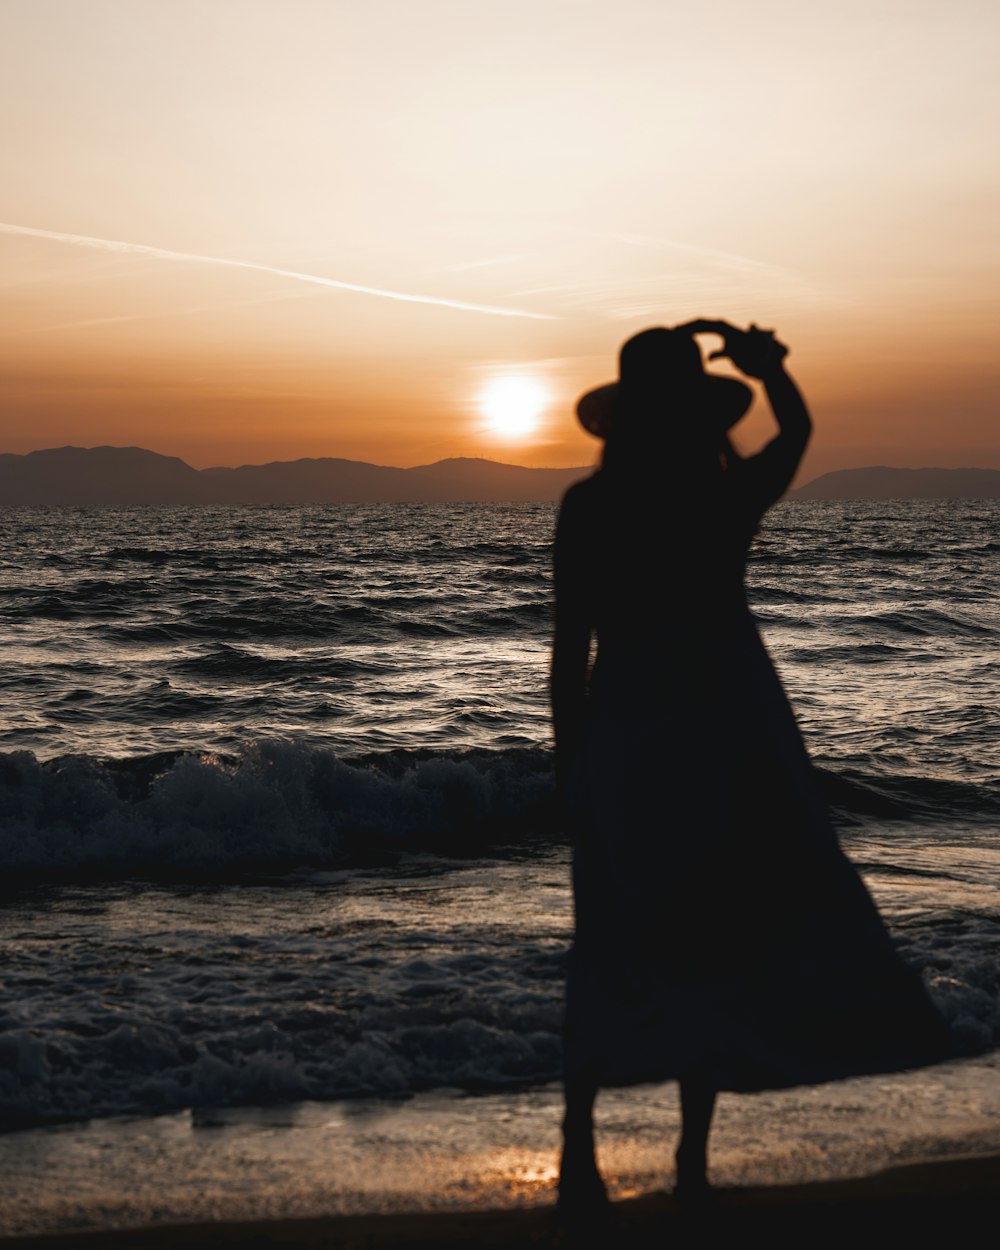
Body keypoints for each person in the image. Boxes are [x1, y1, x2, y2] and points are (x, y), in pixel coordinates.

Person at [551, 320, 950, 1216]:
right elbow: (797, 433)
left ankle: (581, 1146)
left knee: (612, 933)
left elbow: (567, 648)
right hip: (730, 731)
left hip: (631, 733)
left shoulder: (593, 506)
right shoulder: (720, 498)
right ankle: (689, 1159)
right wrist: (764, 363)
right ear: (696, 412)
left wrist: (567, 758)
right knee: (712, 936)